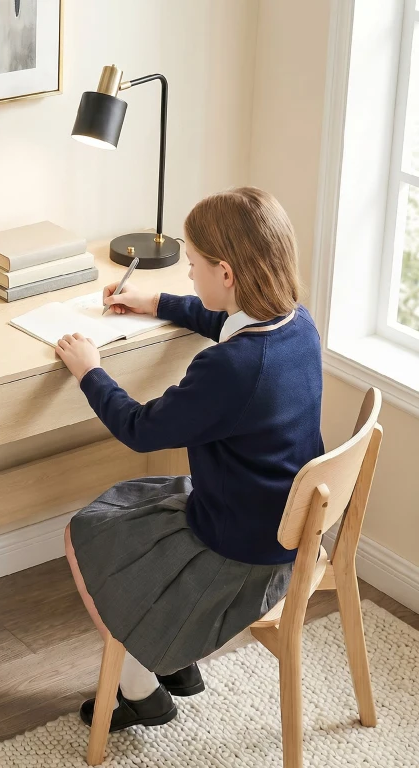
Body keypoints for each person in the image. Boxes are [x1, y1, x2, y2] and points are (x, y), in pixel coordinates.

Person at [55, 187, 324, 732]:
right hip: (286, 525)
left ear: (226, 273)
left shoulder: (229, 369)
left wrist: (89, 369)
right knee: (131, 512)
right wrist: (157, 305)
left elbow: (139, 428)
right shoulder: (297, 325)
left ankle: (141, 691)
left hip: (239, 548)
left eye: (194, 266)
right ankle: (174, 666)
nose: (188, 277)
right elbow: (223, 321)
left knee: (86, 533)